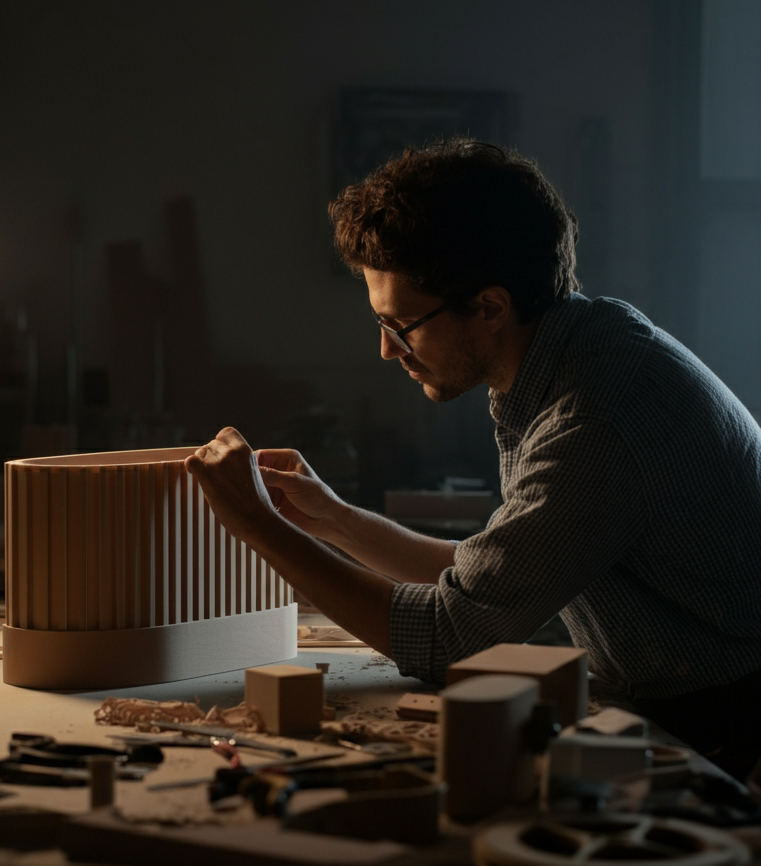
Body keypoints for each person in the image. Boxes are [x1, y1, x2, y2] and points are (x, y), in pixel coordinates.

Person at [185, 138, 761, 781]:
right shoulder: (577, 345)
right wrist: (334, 521)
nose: (386, 349)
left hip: (730, 727)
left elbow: (447, 636)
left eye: (401, 325)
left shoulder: (594, 421)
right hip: (686, 700)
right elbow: (484, 582)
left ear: (490, 307)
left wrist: (256, 525)